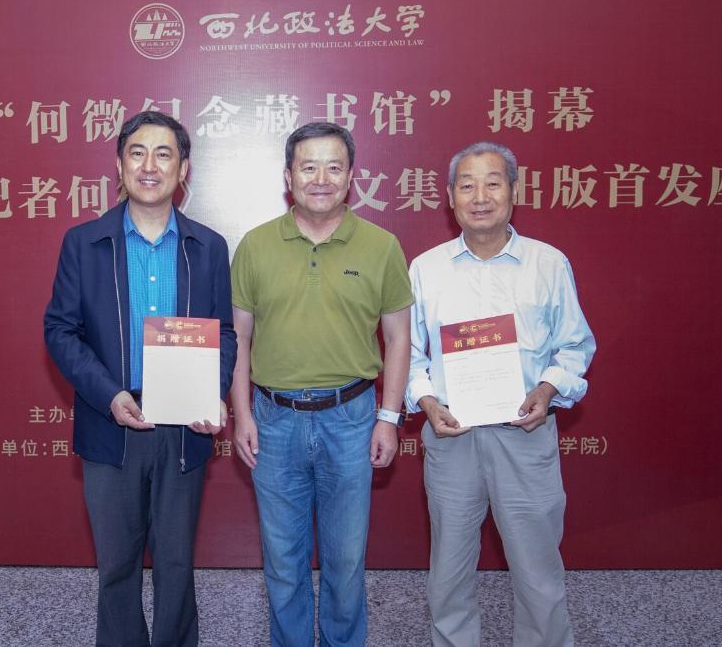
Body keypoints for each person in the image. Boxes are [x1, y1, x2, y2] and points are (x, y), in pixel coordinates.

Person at [44, 111, 236, 646]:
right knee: (116, 564)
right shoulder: (84, 243)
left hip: (183, 426)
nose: (149, 166)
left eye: (164, 154)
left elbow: (224, 333)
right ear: (119, 165)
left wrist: (213, 391)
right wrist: (108, 395)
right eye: (137, 153)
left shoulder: (208, 247)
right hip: (111, 422)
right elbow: (60, 330)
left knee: (176, 562)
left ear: (183, 169)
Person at [230, 122, 413, 646]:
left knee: (346, 559)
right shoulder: (255, 245)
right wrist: (242, 415)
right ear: (288, 176)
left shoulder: (381, 246)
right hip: (273, 419)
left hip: (351, 419)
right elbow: (238, 338)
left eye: (334, 167)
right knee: (282, 558)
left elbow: (398, 337)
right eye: (308, 167)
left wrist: (388, 417)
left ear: (351, 177)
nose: (321, 178)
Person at [406, 141, 596, 646]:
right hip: (453, 437)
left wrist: (548, 388)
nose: (480, 196)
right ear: (450, 197)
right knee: (448, 573)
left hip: (525, 435)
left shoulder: (547, 264)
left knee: (538, 571)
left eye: (493, 183)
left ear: (514, 190)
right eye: (467, 185)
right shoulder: (425, 268)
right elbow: (409, 355)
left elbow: (574, 346)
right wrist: (427, 402)